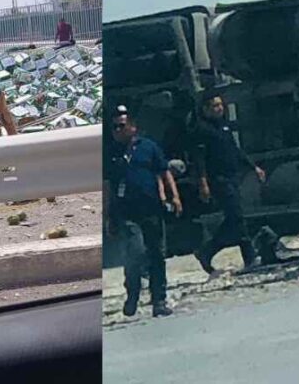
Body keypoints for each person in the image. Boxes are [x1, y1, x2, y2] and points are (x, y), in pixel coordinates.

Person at [106, 106, 181, 318]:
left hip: (152, 209)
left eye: (121, 126)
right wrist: (107, 217)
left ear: (132, 127)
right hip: (127, 213)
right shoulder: (111, 153)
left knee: (157, 255)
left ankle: (159, 300)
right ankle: (133, 293)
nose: (117, 131)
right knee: (135, 253)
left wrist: (174, 197)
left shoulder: (148, 147)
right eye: (114, 128)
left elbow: (164, 171)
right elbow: (107, 186)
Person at [192, 92, 265, 275]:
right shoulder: (201, 129)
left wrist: (253, 167)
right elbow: (199, 159)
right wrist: (203, 183)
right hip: (218, 180)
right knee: (237, 216)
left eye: (221, 105)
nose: (220, 109)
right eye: (215, 106)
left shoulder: (223, 126)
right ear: (206, 109)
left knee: (235, 219)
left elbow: (235, 149)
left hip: (232, 177)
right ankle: (249, 256)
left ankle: (207, 251)